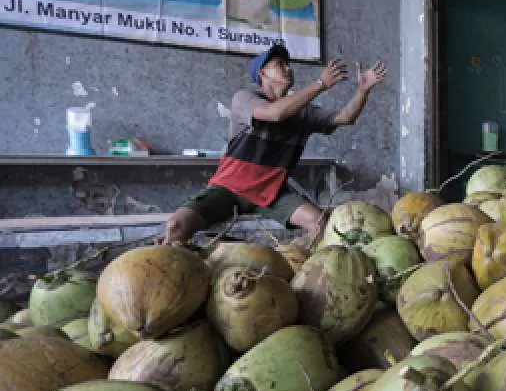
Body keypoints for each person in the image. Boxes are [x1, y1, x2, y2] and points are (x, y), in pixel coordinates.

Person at [163, 43, 388, 244]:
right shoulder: (244, 98)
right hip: (228, 189)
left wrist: (362, 91)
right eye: (280, 64)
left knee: (320, 224)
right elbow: (275, 114)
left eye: (288, 64)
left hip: (271, 193)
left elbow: (345, 118)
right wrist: (320, 83)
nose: (288, 68)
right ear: (263, 73)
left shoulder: (303, 112)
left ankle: (311, 273)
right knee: (175, 227)